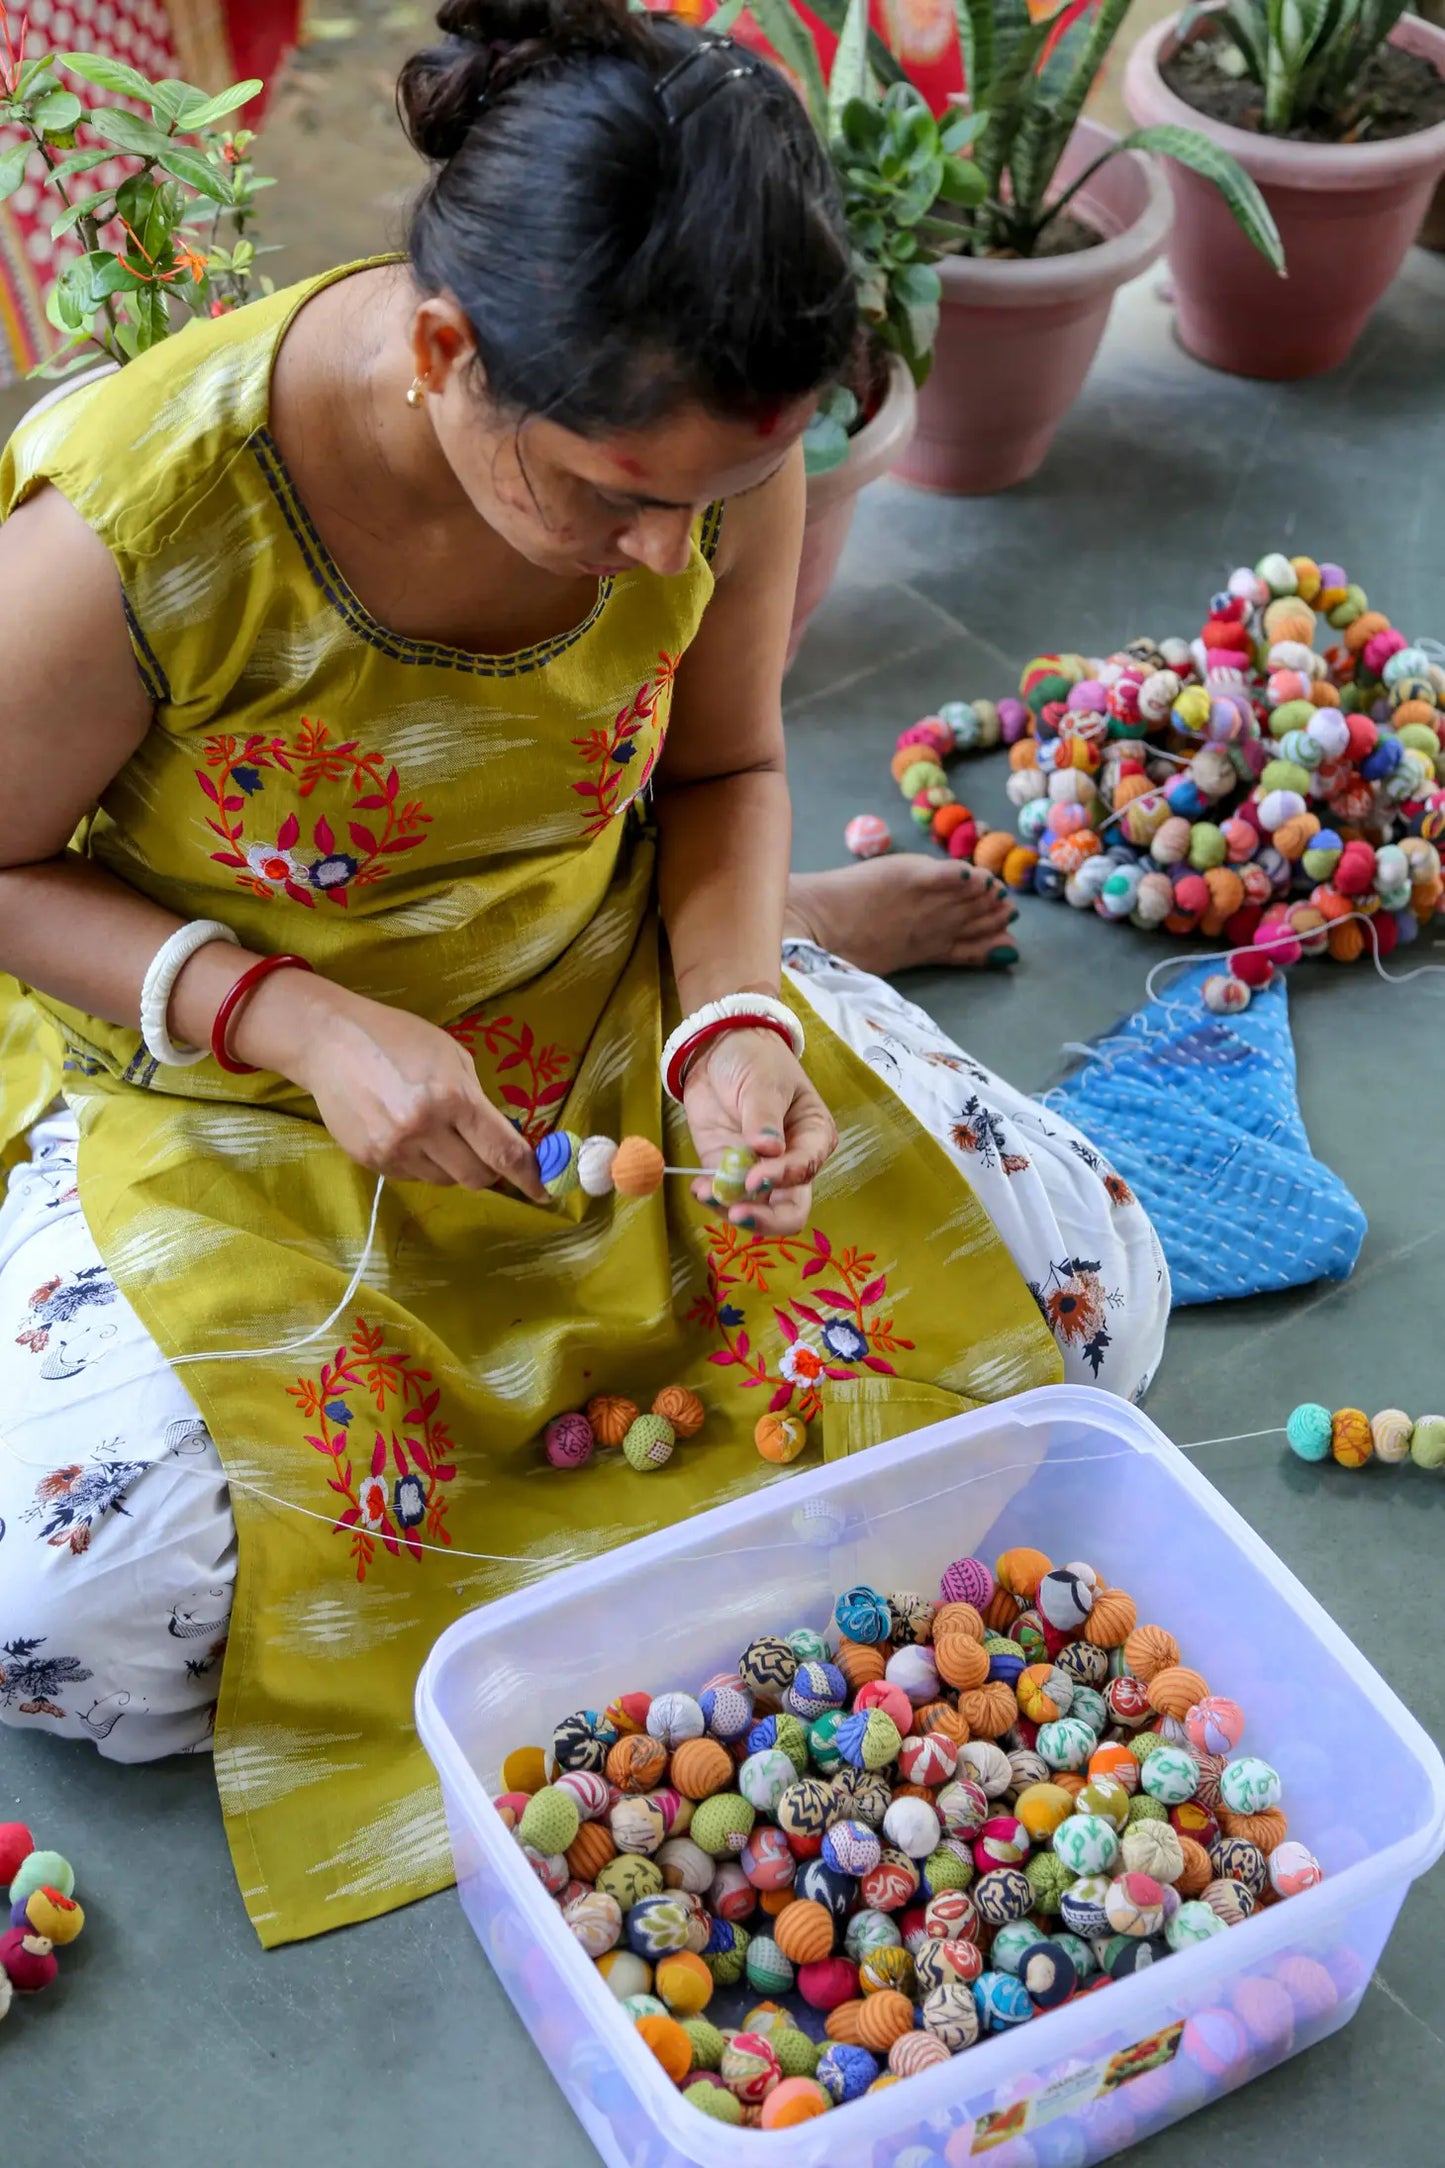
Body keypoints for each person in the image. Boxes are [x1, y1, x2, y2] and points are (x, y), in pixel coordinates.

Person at [0, 0, 1167, 1946]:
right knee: (81, 1619)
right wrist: (288, 1014)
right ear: (448, 352)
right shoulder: (149, 517)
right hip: (234, 1085)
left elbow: (717, 760)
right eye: (611, 493)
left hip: (603, 992)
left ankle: (778, 941)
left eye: (702, 508)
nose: (656, 556)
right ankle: (791, 950)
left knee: (1087, 1310)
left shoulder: (703, 435)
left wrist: (724, 1017)